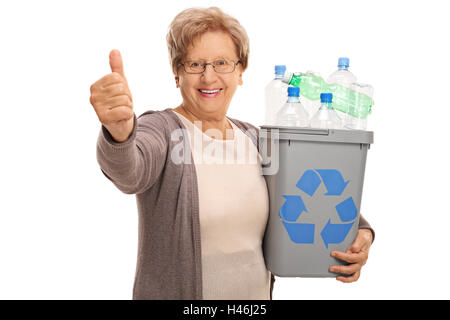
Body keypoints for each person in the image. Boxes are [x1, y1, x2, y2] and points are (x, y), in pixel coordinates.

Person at [90, 7, 374, 300]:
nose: (209, 77)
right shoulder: (162, 130)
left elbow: (311, 190)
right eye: (194, 64)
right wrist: (120, 132)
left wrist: (362, 233)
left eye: (222, 63)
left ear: (240, 72)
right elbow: (129, 171)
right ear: (177, 74)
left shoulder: (256, 139)